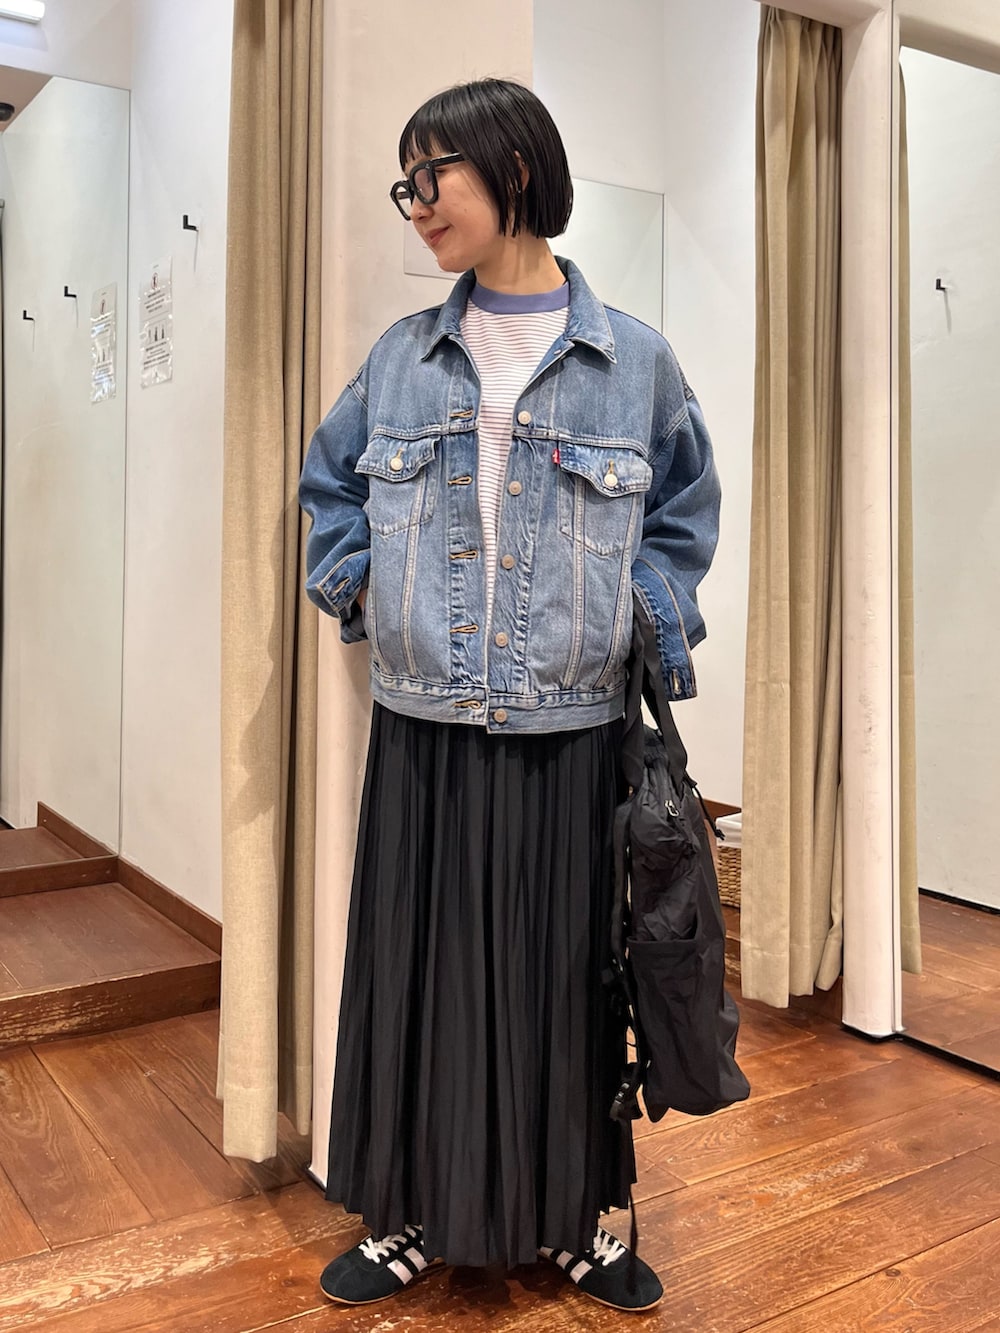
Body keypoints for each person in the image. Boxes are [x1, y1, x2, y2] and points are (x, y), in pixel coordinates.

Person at [299, 77, 720, 1314]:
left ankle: (571, 1220)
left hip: (572, 731)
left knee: (567, 987)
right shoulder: (399, 358)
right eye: (406, 184)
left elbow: (683, 519)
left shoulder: (633, 362)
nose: (417, 203)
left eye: (433, 175)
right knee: (417, 981)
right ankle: (409, 1215)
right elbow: (328, 497)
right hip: (422, 726)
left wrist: (631, 621)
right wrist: (372, 598)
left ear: (514, 170)